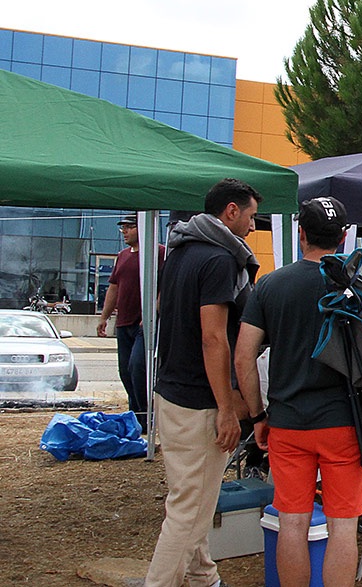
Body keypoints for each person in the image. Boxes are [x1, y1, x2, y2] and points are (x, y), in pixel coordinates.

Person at [232, 195, 362, 587]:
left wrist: (257, 416)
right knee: (343, 526)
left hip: (288, 421)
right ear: (344, 237)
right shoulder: (358, 288)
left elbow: (243, 358)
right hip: (344, 422)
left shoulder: (270, 285)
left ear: (300, 234)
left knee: (292, 522)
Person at [145, 178, 262, 587]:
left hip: (171, 391)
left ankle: (203, 576)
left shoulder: (179, 251)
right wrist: (227, 410)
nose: (252, 225)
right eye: (250, 216)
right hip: (200, 401)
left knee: (189, 500)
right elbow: (214, 338)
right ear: (230, 211)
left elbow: (162, 310)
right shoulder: (219, 260)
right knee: (188, 512)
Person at [96, 213, 164, 432]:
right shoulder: (122, 256)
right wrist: (104, 317)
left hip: (145, 324)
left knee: (138, 368)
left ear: (142, 229)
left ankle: (148, 417)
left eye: (129, 227)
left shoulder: (158, 253)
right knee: (125, 371)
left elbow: (165, 285)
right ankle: (136, 418)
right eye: (122, 228)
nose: (125, 231)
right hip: (123, 322)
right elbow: (114, 287)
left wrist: (152, 310)